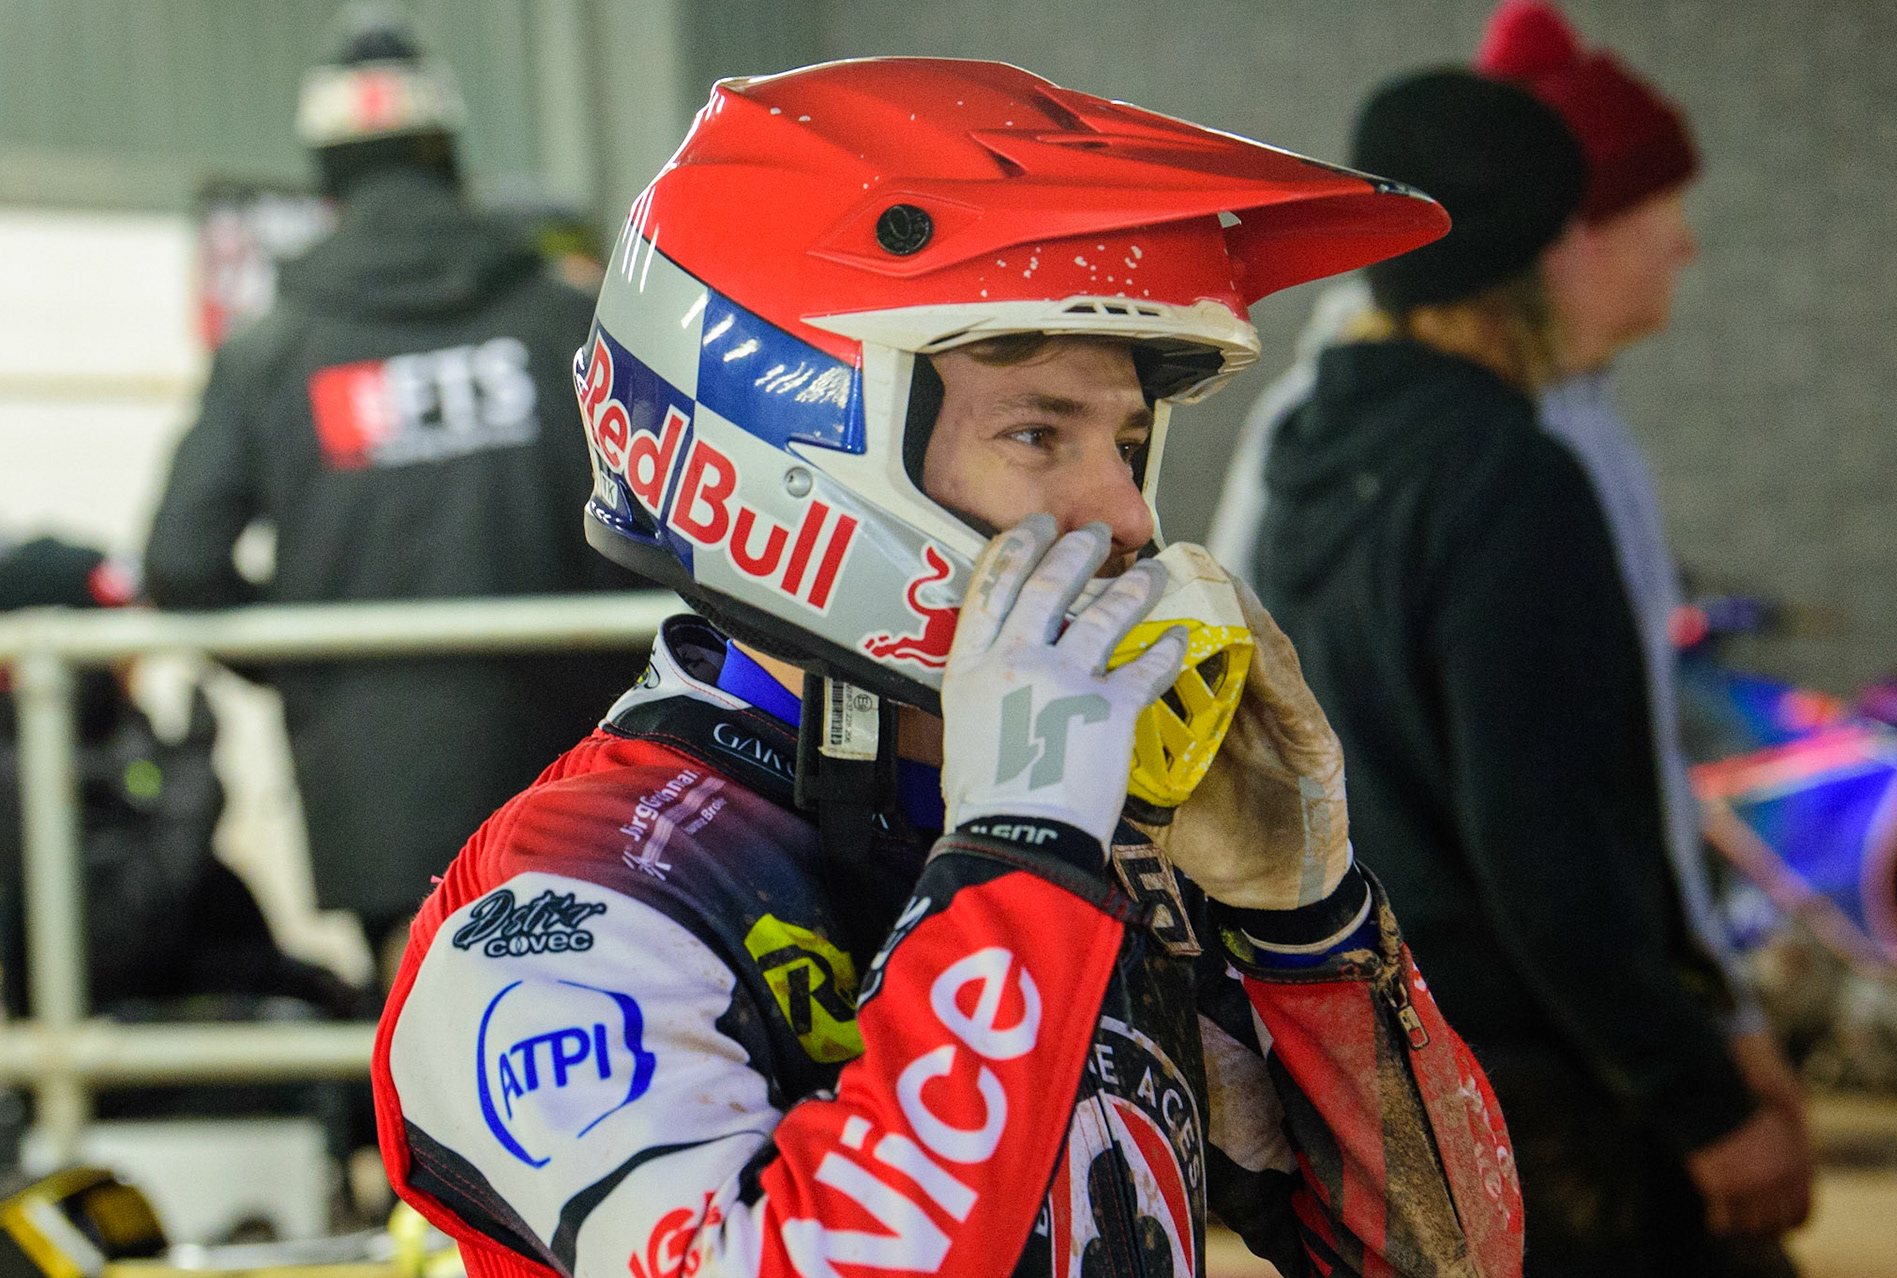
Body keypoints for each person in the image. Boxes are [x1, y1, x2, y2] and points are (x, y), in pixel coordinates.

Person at [371, 58, 1528, 1278]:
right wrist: (1021, 857)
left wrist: (1311, 925)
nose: (1127, 514)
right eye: (1039, 434)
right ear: (795, 441)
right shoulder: (566, 917)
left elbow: (1444, 1262)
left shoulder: (1110, 854)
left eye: (1129, 443)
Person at [1243, 61, 1811, 1277]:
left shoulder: (1308, 453)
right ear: (1543, 253)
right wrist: (1704, 1103)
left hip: (1385, 1085)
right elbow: (1551, 851)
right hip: (1545, 1105)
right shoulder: (1508, 478)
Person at [143, 10, 633, 959]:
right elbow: (664, 516)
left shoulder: (272, 352)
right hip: (579, 772)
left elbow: (181, 558)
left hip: (375, 792)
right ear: (446, 149)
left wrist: (310, 662)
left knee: (407, 1052)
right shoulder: (563, 320)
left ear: (324, 171)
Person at [0, 537, 353, 1019]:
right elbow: (112, 950)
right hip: (119, 1052)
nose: (136, 658)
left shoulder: (118, 739)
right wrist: (186, 802)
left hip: (172, 1021)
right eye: (112, 639)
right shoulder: (23, 767)